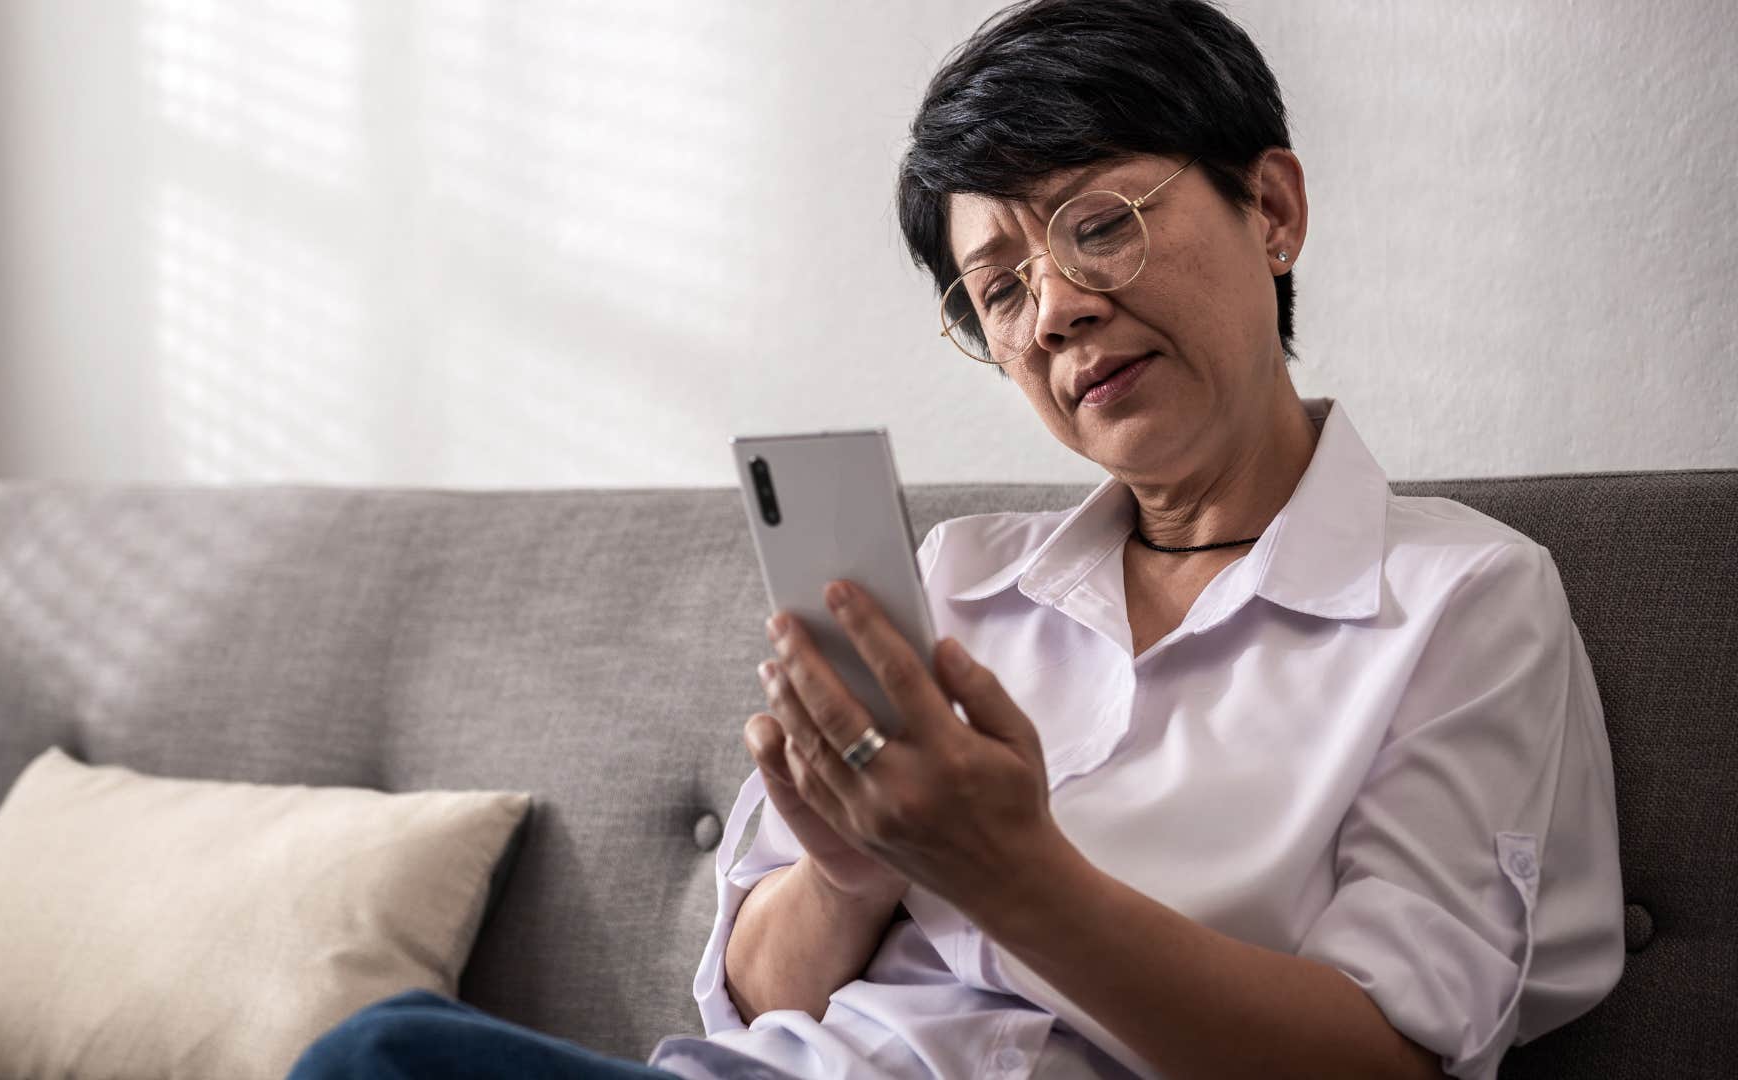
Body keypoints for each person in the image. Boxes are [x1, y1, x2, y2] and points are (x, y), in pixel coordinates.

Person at [289, 1, 1623, 1077]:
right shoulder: (954, 582)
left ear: (1270, 209)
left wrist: (1012, 871)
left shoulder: (1463, 602)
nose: (1050, 316)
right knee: (384, 1052)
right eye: (999, 289)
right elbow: (755, 997)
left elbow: (1391, 1061)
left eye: (1100, 224)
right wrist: (851, 869)